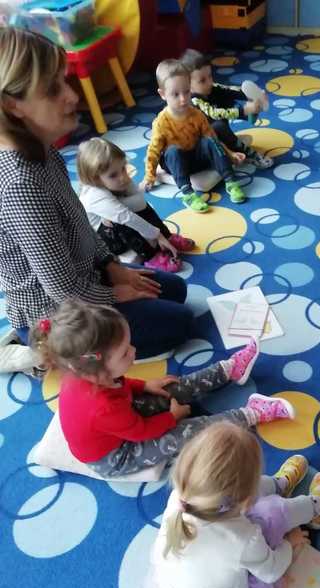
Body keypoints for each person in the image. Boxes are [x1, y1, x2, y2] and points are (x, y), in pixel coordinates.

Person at [0, 27, 192, 361]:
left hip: (84, 277)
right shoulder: (20, 184)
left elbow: (80, 225)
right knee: (180, 323)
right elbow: (62, 290)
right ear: (12, 105)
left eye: (63, 81)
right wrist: (114, 294)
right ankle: (36, 349)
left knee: (175, 289)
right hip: (57, 312)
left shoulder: (43, 150)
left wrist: (111, 266)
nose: (71, 96)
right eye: (52, 89)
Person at [140, 421, 320, 588]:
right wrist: (291, 543)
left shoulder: (181, 497)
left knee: (261, 507)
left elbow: (238, 501)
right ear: (245, 502)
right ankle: (316, 508)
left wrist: (261, 488)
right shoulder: (243, 538)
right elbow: (271, 571)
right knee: (274, 512)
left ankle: (277, 485)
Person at [30, 299, 296, 478]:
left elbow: (121, 384)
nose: (134, 351)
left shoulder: (91, 375)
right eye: (125, 353)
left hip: (121, 418)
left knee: (170, 387)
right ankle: (251, 413)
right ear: (94, 368)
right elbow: (140, 431)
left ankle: (228, 370)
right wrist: (173, 417)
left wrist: (145, 384)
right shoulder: (102, 407)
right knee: (184, 433)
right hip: (117, 455)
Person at [140, 59, 247, 214]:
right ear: (163, 94)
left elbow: (213, 138)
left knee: (210, 140)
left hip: (197, 158)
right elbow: (153, 151)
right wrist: (149, 177)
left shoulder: (197, 114)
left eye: (186, 91)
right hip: (177, 163)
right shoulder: (161, 122)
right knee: (173, 151)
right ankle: (188, 194)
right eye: (175, 94)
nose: (183, 99)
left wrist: (230, 154)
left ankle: (231, 181)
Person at [77, 137, 195, 273]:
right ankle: (151, 256)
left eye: (123, 168)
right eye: (113, 175)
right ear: (95, 179)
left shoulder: (114, 180)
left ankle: (167, 236)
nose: (123, 177)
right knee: (117, 219)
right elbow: (127, 217)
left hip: (121, 219)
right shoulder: (94, 195)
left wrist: (160, 235)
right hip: (103, 241)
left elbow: (140, 202)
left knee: (133, 207)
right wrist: (157, 236)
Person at [181, 48, 273, 169]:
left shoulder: (212, 88)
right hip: (203, 143)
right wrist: (244, 110)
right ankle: (248, 153)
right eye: (202, 80)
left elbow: (230, 90)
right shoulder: (193, 100)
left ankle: (251, 115)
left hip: (217, 132)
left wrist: (254, 95)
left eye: (210, 76)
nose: (209, 82)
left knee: (226, 99)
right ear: (188, 86)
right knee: (219, 125)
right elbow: (215, 113)